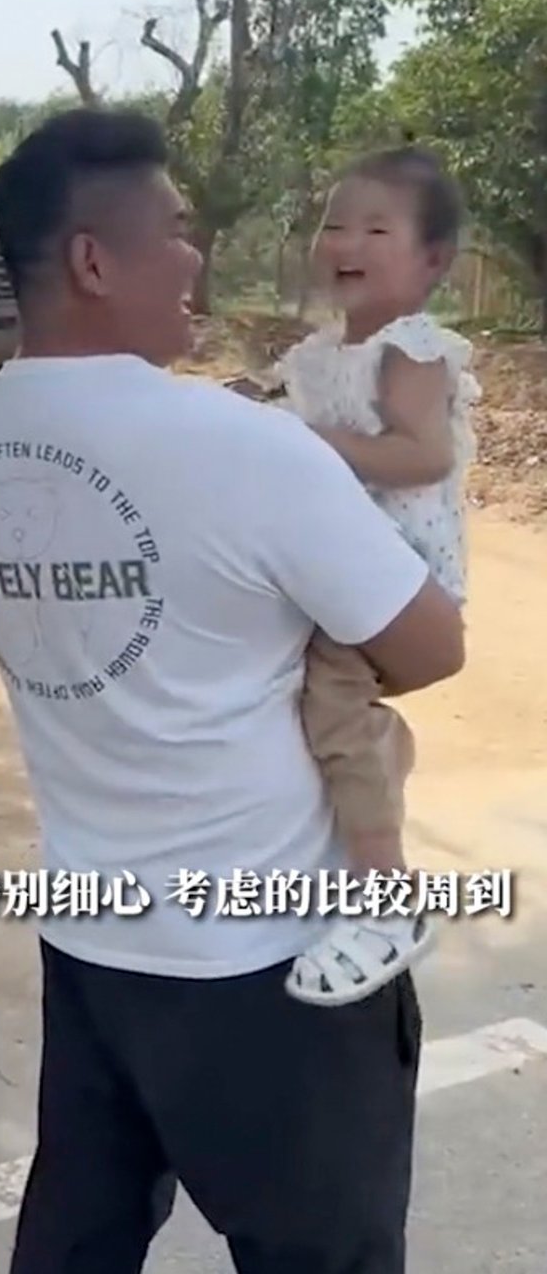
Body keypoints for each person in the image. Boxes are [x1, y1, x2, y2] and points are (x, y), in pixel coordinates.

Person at [0, 107, 464, 1274]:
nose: (197, 258)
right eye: (175, 232)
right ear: (91, 259)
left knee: (76, 1243)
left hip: (92, 946)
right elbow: (430, 647)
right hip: (271, 963)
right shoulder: (245, 446)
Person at [264, 147, 479, 1009]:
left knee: (333, 706)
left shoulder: (411, 351)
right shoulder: (322, 353)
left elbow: (422, 455)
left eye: (376, 227)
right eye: (334, 222)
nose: (345, 239)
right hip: (333, 567)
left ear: (432, 263)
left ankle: (388, 901)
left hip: (395, 576)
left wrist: (307, 445)